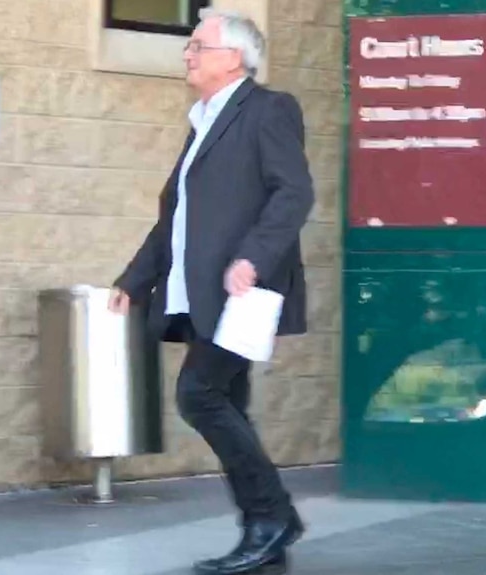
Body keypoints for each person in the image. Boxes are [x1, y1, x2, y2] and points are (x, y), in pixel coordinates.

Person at [108, 8, 314, 575]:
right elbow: (174, 217)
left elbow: (293, 194)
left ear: (233, 58)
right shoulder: (203, 120)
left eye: (197, 45)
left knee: (199, 395)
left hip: (242, 292)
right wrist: (135, 277)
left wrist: (252, 256)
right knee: (230, 404)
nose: (187, 53)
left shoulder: (268, 110)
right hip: (203, 291)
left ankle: (274, 516)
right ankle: (262, 533)